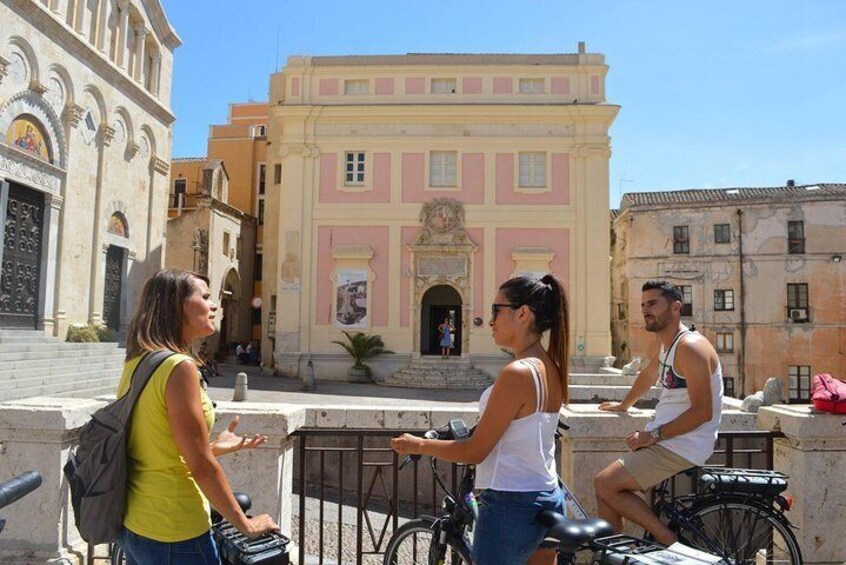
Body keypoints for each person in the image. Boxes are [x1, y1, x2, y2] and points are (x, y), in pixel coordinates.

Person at [392, 274, 569, 565]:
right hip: (547, 494)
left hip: (511, 503)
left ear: (522, 313)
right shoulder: (550, 366)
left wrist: (418, 445)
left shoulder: (519, 372)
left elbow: (475, 451)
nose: (490, 321)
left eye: (496, 310)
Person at [115, 269, 279, 564]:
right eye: (204, 297)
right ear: (178, 306)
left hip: (137, 523)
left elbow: (157, 447)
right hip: (175, 528)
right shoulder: (179, 367)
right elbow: (201, 467)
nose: (214, 305)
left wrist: (215, 447)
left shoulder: (139, 360)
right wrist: (247, 524)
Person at [594, 280, 723, 546]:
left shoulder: (691, 347)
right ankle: (611, 554)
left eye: (653, 303)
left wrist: (653, 435)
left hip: (683, 443)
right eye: (643, 305)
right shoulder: (670, 344)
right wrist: (624, 405)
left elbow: (703, 411)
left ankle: (672, 543)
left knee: (606, 484)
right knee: (605, 492)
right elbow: (648, 375)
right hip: (670, 439)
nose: (645, 310)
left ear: (676, 307)